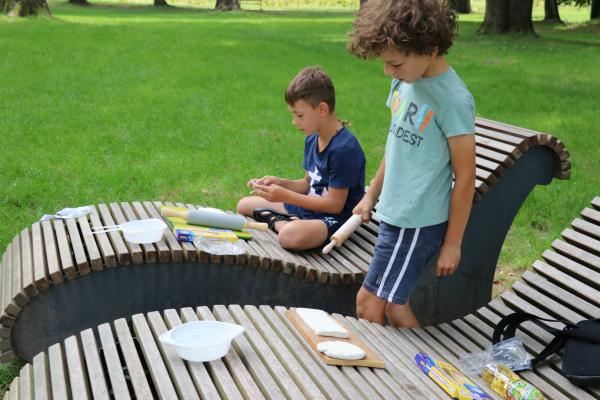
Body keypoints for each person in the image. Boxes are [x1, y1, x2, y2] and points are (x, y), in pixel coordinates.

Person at [347, 0, 477, 328]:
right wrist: (371, 195)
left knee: (368, 304)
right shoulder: (404, 82)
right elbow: (396, 146)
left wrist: (453, 244)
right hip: (395, 213)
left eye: (395, 63)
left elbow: (465, 177)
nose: (388, 72)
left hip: (416, 223)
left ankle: (384, 362)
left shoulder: (452, 100)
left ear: (430, 50)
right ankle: (419, 361)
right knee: (394, 306)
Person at [236, 66, 366, 251]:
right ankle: (284, 222)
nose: (294, 122)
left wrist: (285, 196)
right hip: (308, 208)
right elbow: (307, 184)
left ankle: (282, 223)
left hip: (333, 219)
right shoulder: (312, 138)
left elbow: (335, 205)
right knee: (244, 205)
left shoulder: (344, 149)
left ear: (322, 109)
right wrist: (280, 183)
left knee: (289, 236)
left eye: (299, 115)